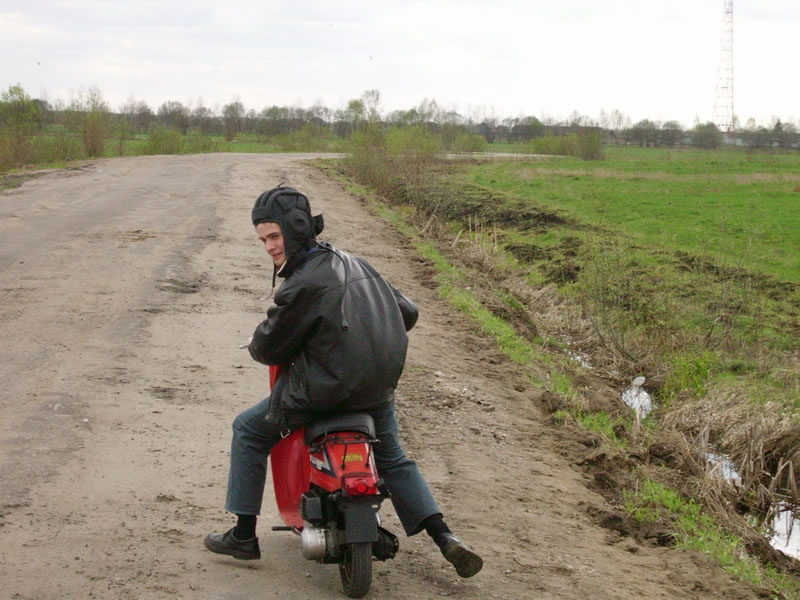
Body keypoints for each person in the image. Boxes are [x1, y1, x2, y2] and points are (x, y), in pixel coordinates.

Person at [204, 186, 483, 578]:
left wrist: (256, 342)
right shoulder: (357, 263)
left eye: (274, 236)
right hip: (375, 393)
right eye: (263, 239)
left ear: (295, 230)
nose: (268, 246)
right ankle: (445, 536)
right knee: (394, 459)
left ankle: (243, 534)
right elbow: (409, 312)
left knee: (247, 430)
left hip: (320, 396)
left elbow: (270, 347)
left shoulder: (302, 283)